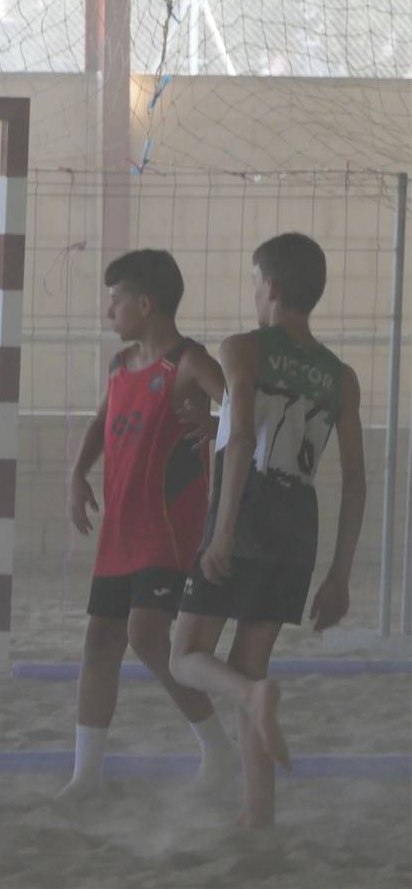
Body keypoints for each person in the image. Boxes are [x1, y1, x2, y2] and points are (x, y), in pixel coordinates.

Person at [170, 232, 365, 829]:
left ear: (272, 287)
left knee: (185, 656)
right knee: (249, 663)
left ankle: (254, 700)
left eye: (256, 282)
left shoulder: (242, 348)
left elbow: (246, 442)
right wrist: (338, 576)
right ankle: (259, 817)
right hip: (299, 521)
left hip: (248, 502)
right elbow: (355, 481)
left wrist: (224, 530)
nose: (254, 293)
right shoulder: (341, 376)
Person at [57, 249, 238, 803]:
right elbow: (99, 422)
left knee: (146, 635)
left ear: (145, 303)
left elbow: (240, 405)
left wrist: (214, 422)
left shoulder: (187, 361)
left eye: (114, 302)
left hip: (168, 528)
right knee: (100, 642)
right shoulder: (120, 367)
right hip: (120, 529)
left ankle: (217, 747)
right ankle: (86, 776)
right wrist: (76, 473)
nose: (108, 313)